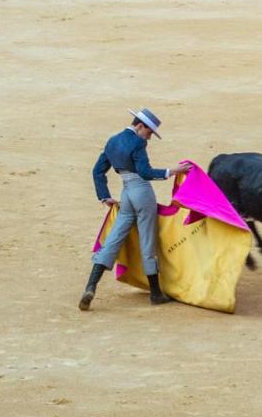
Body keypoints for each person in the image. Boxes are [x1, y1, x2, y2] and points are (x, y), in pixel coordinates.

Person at [83, 108, 194, 310]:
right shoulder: (137, 142)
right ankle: (155, 294)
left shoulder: (113, 140)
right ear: (140, 126)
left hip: (126, 193)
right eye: (149, 132)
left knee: (114, 238)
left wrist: (105, 196)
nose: (149, 138)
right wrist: (173, 171)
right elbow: (145, 172)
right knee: (147, 240)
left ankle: (90, 286)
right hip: (141, 192)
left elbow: (97, 170)